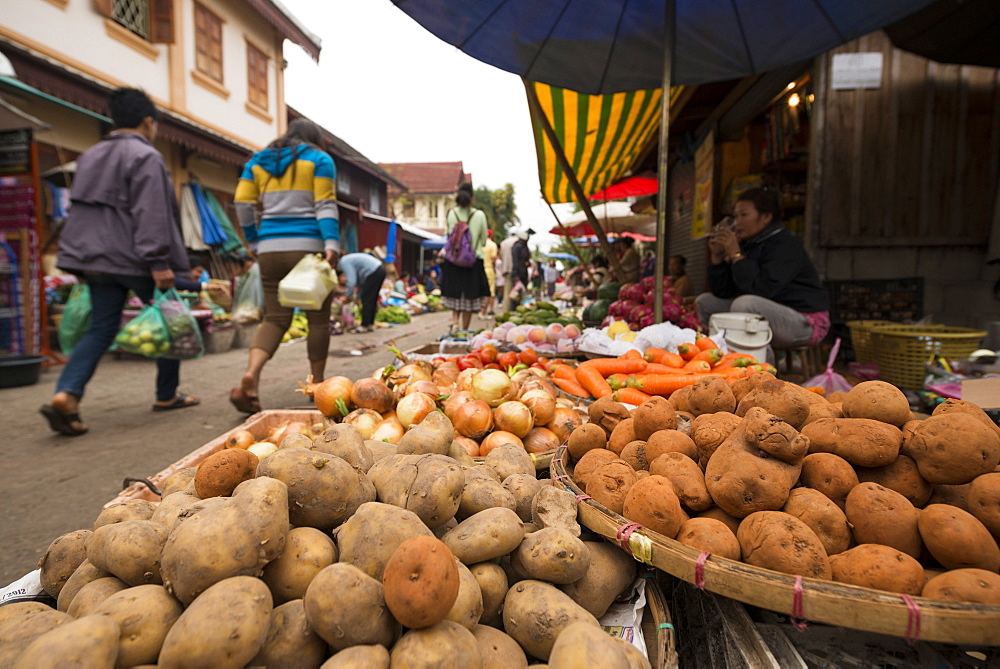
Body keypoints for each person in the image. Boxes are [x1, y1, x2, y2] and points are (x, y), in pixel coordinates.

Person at [40, 88, 199, 437]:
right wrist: (159, 261)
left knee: (101, 327)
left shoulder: (90, 155)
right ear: (147, 121)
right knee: (170, 319)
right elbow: (151, 211)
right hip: (136, 258)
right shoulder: (145, 155)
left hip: (93, 258)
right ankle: (166, 394)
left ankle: (67, 393)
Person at [229, 119, 340, 413]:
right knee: (317, 319)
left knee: (275, 318)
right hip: (308, 249)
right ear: (313, 138)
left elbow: (242, 203)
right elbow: (325, 204)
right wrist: (331, 243)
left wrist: (253, 241)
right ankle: (316, 385)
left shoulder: (257, 161)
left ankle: (252, 374)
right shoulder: (319, 159)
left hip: (269, 250)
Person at [696, 187, 830, 350]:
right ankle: (714, 353)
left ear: (766, 217)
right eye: (735, 216)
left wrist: (737, 255)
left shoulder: (784, 244)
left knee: (744, 304)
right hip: (762, 315)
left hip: (803, 321)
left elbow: (763, 290)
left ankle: (753, 364)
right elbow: (723, 292)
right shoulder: (748, 244)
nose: (737, 222)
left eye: (744, 215)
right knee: (705, 302)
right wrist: (717, 258)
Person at [440, 183, 490, 332]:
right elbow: (483, 240)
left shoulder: (451, 213)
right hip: (472, 262)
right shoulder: (479, 215)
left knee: (455, 295)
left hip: (453, 261)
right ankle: (464, 329)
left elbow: (449, 235)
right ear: (472, 198)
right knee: (468, 298)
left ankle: (454, 323)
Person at [337, 252, 386, 333]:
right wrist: (358, 296)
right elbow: (360, 282)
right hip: (379, 269)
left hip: (373, 271)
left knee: (367, 299)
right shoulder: (351, 259)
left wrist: (347, 296)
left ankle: (365, 325)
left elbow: (351, 281)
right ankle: (369, 324)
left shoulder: (344, 261)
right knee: (371, 299)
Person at [499, 228, 518, 312]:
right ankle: (515, 311)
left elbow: (500, 256)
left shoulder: (503, 243)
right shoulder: (518, 242)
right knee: (516, 291)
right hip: (515, 270)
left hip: (506, 269)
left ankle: (506, 311)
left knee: (507, 292)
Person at [480, 229, 498, 317]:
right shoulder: (492, 245)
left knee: (481, 291)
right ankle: (487, 310)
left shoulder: (480, 244)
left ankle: (480, 309)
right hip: (489, 269)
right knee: (490, 292)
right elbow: (493, 259)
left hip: (479, 269)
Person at [511, 228, 532, 300]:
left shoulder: (523, 246)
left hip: (523, 273)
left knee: (522, 294)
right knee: (516, 295)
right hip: (518, 273)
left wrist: (527, 263)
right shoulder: (517, 247)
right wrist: (516, 275)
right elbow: (515, 261)